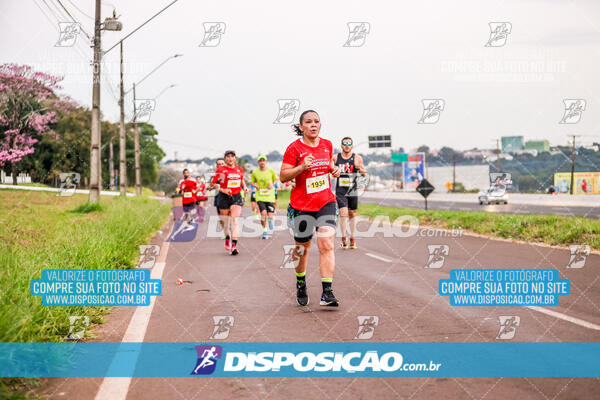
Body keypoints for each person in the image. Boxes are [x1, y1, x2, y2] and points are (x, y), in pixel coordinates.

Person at [280, 110, 341, 307]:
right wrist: (301, 168)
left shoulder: (327, 145)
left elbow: (328, 165)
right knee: (302, 248)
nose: (313, 125)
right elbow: (283, 176)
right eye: (308, 122)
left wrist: (333, 169)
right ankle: (300, 282)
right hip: (302, 205)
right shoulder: (294, 148)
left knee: (327, 244)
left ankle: (327, 292)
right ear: (301, 127)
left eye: (316, 121)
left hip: (325, 202)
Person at [211, 150, 248, 255]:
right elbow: (214, 184)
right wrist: (223, 190)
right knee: (226, 222)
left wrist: (244, 187)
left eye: (232, 156)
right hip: (224, 197)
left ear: (235, 159)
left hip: (236, 197)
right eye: (228, 157)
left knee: (235, 220)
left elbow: (241, 180)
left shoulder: (239, 169)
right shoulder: (221, 170)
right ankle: (227, 237)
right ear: (225, 159)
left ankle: (234, 245)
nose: (230, 158)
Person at [333, 137, 367, 249]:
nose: (347, 145)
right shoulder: (335, 158)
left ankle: (352, 237)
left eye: (349, 144)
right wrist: (333, 173)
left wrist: (361, 171)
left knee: (352, 214)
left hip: (352, 189)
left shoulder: (357, 158)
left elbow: (364, 173)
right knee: (343, 213)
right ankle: (343, 238)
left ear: (352, 146)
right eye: (345, 143)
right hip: (340, 190)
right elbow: (329, 170)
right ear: (341, 145)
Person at [250, 155, 278, 239]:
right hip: (260, 196)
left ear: (266, 162)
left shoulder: (271, 171)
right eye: (260, 160)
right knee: (263, 214)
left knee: (270, 215)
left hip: (270, 196)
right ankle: (265, 231)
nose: (262, 162)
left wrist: (272, 184)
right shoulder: (255, 172)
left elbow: (276, 179)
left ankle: (270, 220)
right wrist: (255, 185)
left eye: (263, 160)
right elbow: (251, 182)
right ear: (258, 162)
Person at [209, 158, 226, 237]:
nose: (220, 165)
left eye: (222, 164)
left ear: (224, 164)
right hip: (218, 197)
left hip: (228, 196)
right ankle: (225, 232)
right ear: (216, 166)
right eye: (219, 164)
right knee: (221, 216)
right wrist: (211, 187)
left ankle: (230, 228)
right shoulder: (215, 176)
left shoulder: (228, 174)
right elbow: (210, 186)